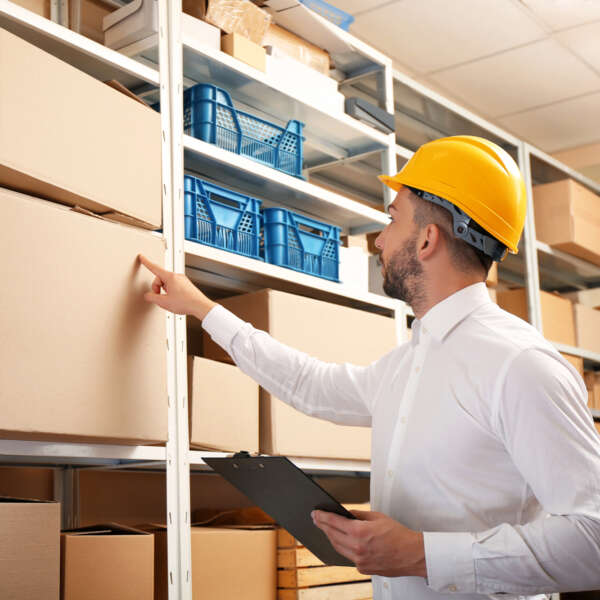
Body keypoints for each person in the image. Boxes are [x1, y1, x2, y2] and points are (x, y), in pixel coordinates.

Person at [139, 135, 600, 598]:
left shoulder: (520, 365)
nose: (379, 239)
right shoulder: (408, 364)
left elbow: (593, 538)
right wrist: (204, 309)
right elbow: (310, 385)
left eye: (391, 219)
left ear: (426, 239)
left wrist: (420, 553)